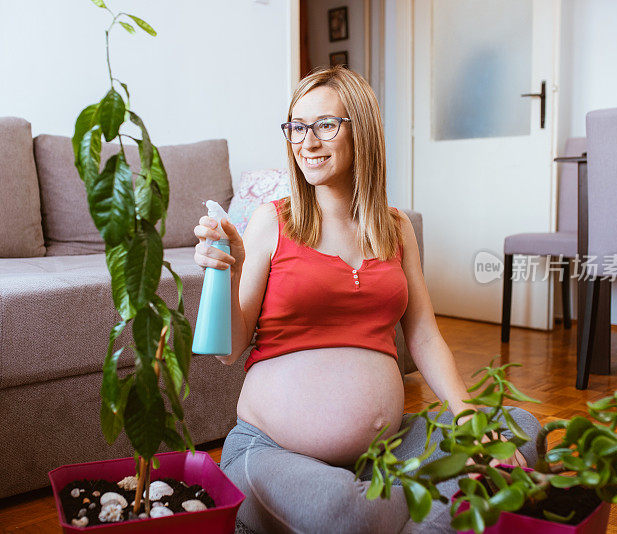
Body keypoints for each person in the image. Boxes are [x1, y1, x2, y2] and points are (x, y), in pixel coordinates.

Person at [193, 66, 540, 533]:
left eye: (324, 125)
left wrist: (468, 417)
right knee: (346, 511)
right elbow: (230, 350)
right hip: (272, 450)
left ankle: (392, 510)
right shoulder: (272, 222)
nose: (306, 142)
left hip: (386, 449)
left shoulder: (396, 228)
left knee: (517, 432)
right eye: (296, 127)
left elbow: (423, 334)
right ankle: (416, 510)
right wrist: (228, 270)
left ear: (363, 131)